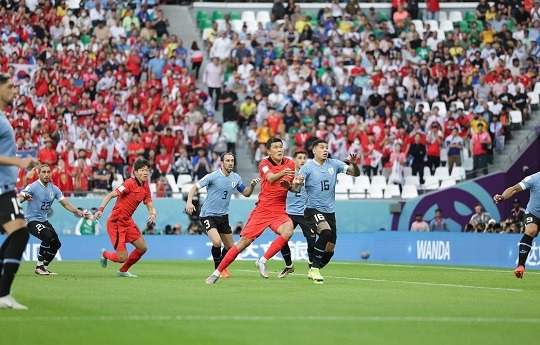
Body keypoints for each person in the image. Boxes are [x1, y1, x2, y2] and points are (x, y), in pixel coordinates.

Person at [205, 137, 296, 284]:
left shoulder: (290, 163)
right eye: (275, 147)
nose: (279, 149)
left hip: (279, 210)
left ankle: (263, 260)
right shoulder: (264, 164)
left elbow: (294, 188)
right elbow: (271, 178)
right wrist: (282, 174)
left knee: (288, 230)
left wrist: (293, 186)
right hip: (262, 210)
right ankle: (216, 272)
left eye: (281, 146)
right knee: (243, 243)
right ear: (268, 151)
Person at [293, 139, 360, 284]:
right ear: (314, 151)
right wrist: (293, 185)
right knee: (326, 232)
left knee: (330, 248)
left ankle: (313, 267)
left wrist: (354, 165)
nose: (325, 150)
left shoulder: (334, 164)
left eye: (326, 147)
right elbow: (296, 187)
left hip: (330, 211)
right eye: (321, 147)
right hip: (312, 209)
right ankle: (315, 269)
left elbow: (355, 174)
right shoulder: (308, 167)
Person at [186, 152, 260, 279]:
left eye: (232, 160)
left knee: (231, 247)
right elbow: (194, 187)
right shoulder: (213, 176)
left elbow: (246, 193)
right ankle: (218, 269)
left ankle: (222, 266)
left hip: (223, 216)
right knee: (216, 242)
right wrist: (189, 202)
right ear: (222, 163)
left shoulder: (236, 178)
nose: (230, 163)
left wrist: (252, 186)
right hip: (208, 215)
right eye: (228, 161)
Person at [0, 72, 39, 309]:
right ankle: (3, 294)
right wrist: (19, 162)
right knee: (21, 234)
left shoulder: (3, 117)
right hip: (2, 189)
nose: (15, 90)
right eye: (10, 86)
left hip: (5, 187)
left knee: (17, 234)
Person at [18, 164, 88, 275]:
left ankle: (44, 267)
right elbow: (20, 197)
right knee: (47, 236)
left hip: (44, 221)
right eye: (44, 172)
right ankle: (39, 267)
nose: (46, 174)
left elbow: (65, 204)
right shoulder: (33, 187)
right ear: (39, 173)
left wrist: (78, 211)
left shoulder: (54, 189)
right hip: (32, 221)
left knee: (56, 245)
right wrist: (23, 198)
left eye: (48, 172)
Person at [93, 158, 156, 278]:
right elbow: (110, 195)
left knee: (142, 248)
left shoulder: (145, 187)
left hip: (128, 221)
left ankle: (122, 271)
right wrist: (101, 210)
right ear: (135, 172)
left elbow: (150, 205)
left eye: (147, 170)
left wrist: (152, 213)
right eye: (142, 170)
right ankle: (104, 254)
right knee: (122, 257)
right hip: (116, 222)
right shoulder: (129, 183)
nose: (145, 172)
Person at [494, 172, 540, 278]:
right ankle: (521, 266)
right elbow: (514, 189)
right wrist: (502, 197)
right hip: (533, 214)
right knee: (531, 230)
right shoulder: (534, 179)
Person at [277, 150, 316, 278]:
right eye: (300, 158)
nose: (303, 160)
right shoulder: (288, 174)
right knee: (282, 239)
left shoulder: (309, 175)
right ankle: (289, 266)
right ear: (294, 160)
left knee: (311, 239)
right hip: (289, 213)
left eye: (305, 158)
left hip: (304, 213)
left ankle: (311, 264)